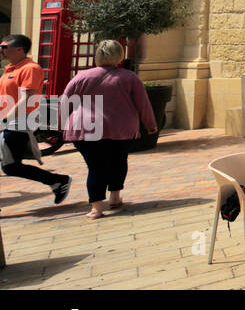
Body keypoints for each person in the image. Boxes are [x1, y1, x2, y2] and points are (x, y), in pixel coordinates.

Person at [60, 40, 156, 219]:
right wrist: (150, 124)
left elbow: (65, 102)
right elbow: (143, 103)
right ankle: (115, 196)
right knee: (119, 160)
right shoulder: (129, 77)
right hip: (120, 127)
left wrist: (61, 125)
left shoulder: (81, 76)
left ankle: (96, 208)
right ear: (120, 56)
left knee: (95, 167)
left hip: (85, 127)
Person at [0, 33, 71, 205]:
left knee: (10, 167)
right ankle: (57, 180)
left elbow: (27, 99)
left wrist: (4, 121)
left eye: (4, 47)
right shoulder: (11, 69)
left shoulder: (30, 69)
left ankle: (59, 180)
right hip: (8, 122)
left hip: (17, 123)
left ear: (19, 49)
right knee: (10, 166)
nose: (1, 50)